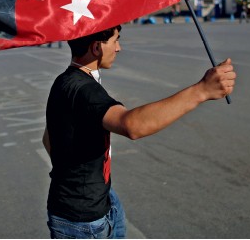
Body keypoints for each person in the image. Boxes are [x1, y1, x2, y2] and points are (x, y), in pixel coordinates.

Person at [42, 26, 236, 238]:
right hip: (84, 220)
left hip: (99, 199)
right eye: (115, 41)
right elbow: (131, 125)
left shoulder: (65, 80)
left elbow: (48, 138)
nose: (119, 48)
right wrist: (201, 91)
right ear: (97, 47)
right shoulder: (85, 90)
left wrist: (75, 175)